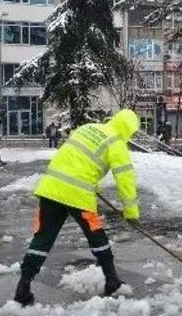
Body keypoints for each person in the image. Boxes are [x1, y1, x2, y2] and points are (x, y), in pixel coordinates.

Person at [14, 109, 141, 306]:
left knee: (43, 238)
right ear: (129, 129)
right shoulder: (116, 143)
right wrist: (131, 212)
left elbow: (76, 158)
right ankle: (112, 280)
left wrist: (91, 183)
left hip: (51, 188)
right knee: (96, 235)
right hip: (79, 196)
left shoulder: (88, 128)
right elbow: (125, 179)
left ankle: (24, 285)